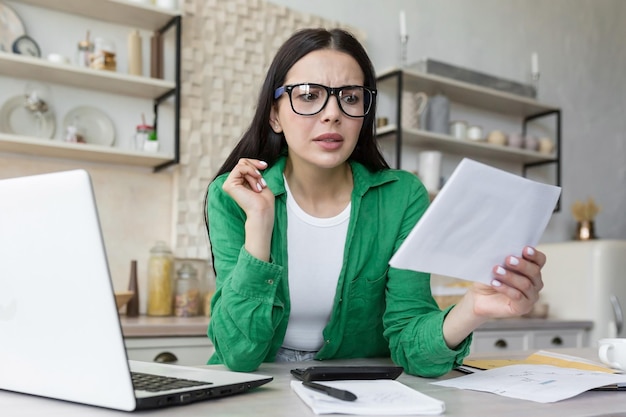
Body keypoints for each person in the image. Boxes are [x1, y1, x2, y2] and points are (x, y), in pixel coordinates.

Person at [204, 27, 546, 377]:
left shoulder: (402, 197)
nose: (332, 113)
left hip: (363, 391)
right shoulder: (234, 195)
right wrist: (259, 225)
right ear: (274, 115)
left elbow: (413, 349)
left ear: (364, 114)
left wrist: (474, 308)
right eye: (308, 95)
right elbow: (237, 354)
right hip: (257, 390)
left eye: (350, 97)